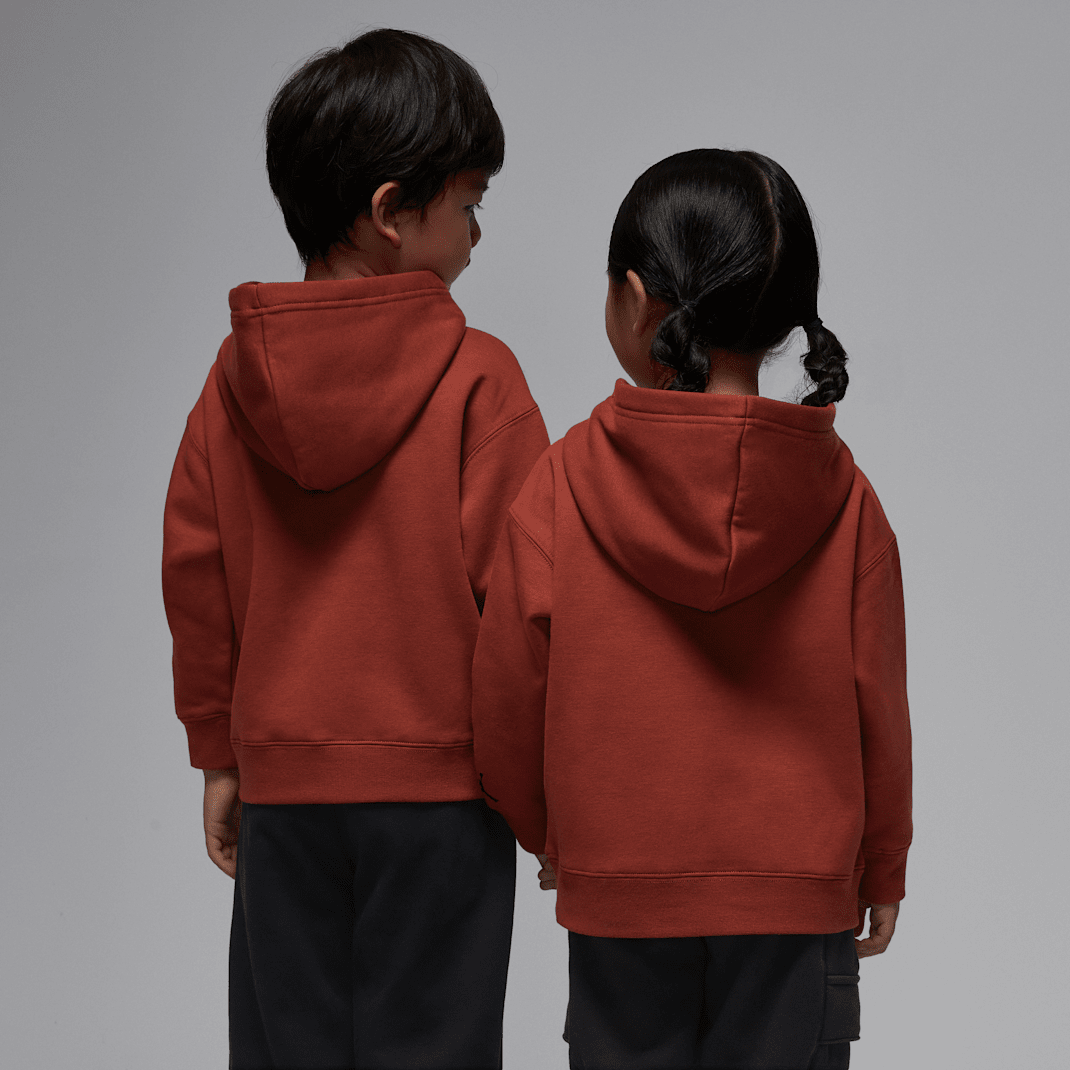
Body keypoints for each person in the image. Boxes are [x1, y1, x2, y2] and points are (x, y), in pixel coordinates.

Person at [471, 148, 911, 1069]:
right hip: (797, 903)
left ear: (635, 300)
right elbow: (879, 703)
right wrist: (882, 861)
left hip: (622, 901)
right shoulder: (846, 498)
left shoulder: (562, 483)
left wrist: (548, 832)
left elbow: (508, 693)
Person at [162, 28, 548, 1070]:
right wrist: (539, 795)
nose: (477, 233)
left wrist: (220, 752)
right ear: (390, 212)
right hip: (442, 803)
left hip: (285, 796)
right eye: (468, 204)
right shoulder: (480, 379)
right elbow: (525, 608)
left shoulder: (231, 383)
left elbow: (197, 574)